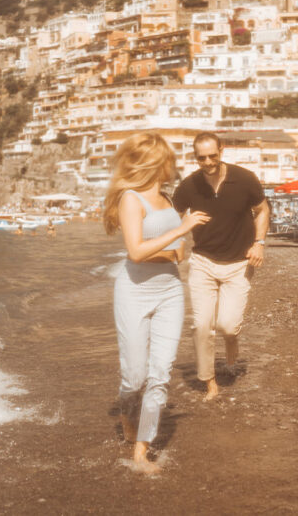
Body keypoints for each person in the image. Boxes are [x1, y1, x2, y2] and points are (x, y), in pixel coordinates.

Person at [103, 133, 209, 475]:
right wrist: (183, 229)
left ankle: (141, 451)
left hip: (169, 291)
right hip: (133, 291)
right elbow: (135, 251)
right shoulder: (131, 200)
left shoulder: (167, 200)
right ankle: (126, 410)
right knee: (134, 377)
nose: (174, 166)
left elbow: (177, 254)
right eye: (169, 160)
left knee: (160, 374)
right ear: (155, 162)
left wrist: (171, 242)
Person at [172, 132, 269, 401]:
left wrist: (259, 243)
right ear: (195, 158)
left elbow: (262, 210)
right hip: (203, 262)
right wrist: (179, 231)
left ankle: (231, 339)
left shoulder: (244, 178)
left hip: (239, 264)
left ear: (221, 150)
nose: (207, 161)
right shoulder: (189, 185)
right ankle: (209, 382)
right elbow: (170, 216)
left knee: (227, 326)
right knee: (201, 325)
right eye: (201, 158)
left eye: (212, 155)